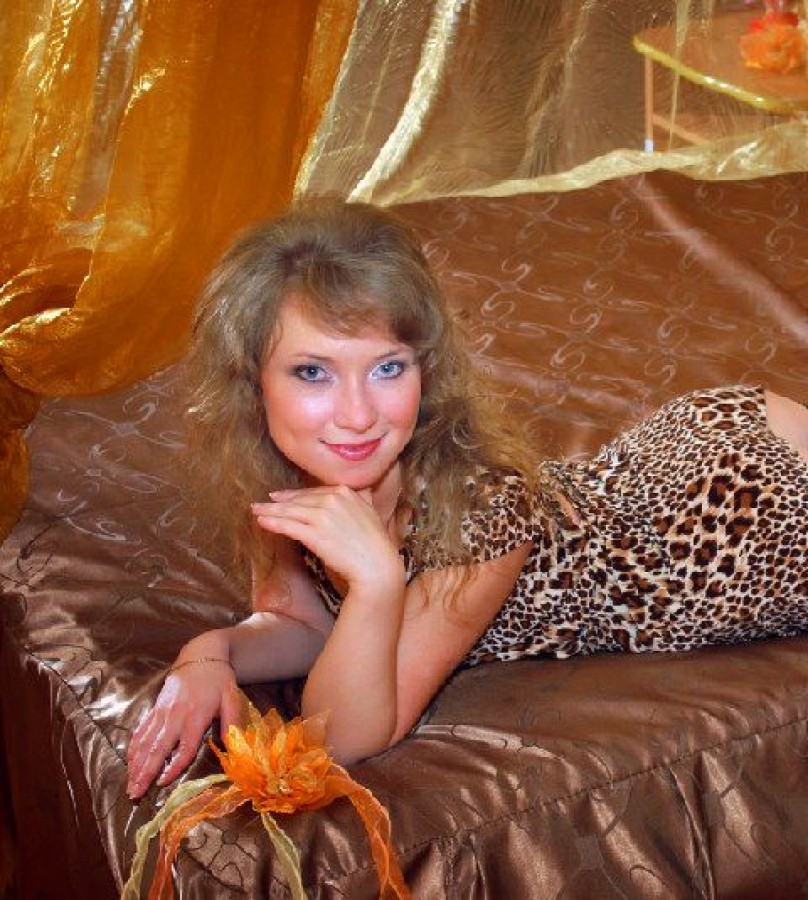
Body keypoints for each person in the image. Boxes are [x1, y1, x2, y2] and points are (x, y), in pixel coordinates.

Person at [126, 200, 808, 800]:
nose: (357, 415)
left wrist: (376, 583)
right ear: (253, 383)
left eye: (388, 367)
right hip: (660, 462)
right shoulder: (283, 466)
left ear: (425, 368)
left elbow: (345, 735)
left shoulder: (488, 509)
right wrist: (209, 653)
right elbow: (303, 624)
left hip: (732, 532)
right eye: (312, 372)